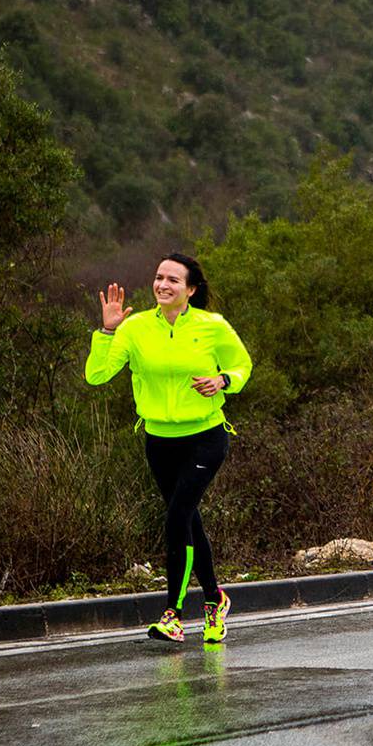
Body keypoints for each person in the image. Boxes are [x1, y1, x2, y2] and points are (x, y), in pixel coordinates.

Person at [87, 253, 253, 644]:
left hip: (206, 437)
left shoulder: (212, 327)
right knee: (188, 519)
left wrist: (223, 380)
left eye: (173, 280)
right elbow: (96, 376)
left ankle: (173, 614)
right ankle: (214, 599)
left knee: (178, 515)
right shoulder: (136, 328)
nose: (162, 285)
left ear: (190, 290)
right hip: (159, 441)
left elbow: (243, 366)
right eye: (159, 277)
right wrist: (108, 332)